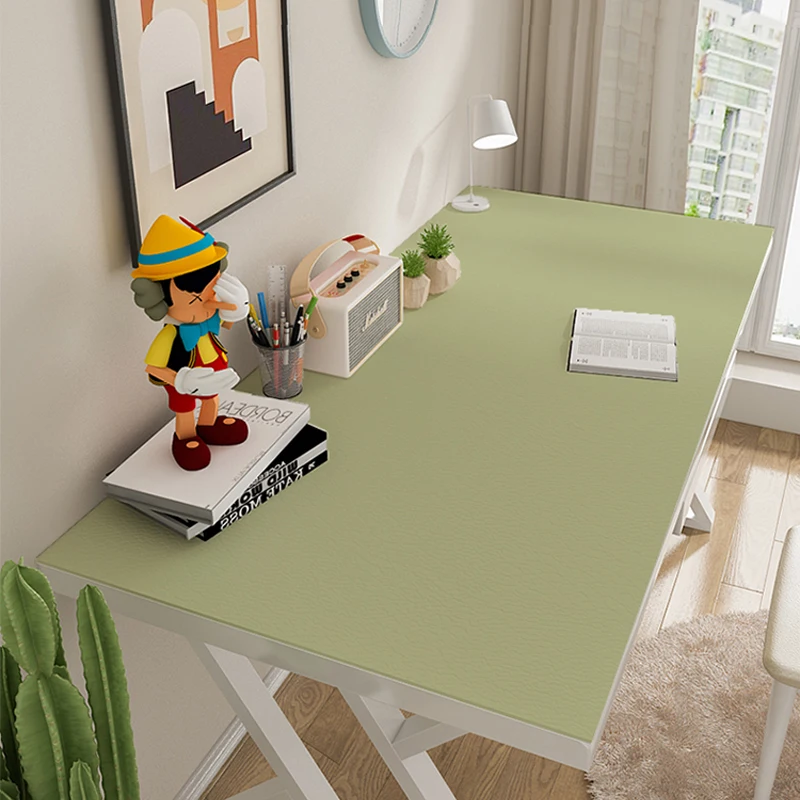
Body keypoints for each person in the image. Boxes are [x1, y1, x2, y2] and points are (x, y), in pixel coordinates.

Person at [131, 215, 250, 470]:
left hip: (212, 370)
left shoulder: (210, 317)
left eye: (213, 291)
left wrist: (238, 310)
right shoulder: (170, 336)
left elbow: (224, 322)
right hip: (183, 378)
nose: (210, 302)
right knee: (184, 409)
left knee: (212, 399)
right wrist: (182, 381)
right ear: (160, 299)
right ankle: (185, 438)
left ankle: (209, 425)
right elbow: (152, 367)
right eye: (197, 299)